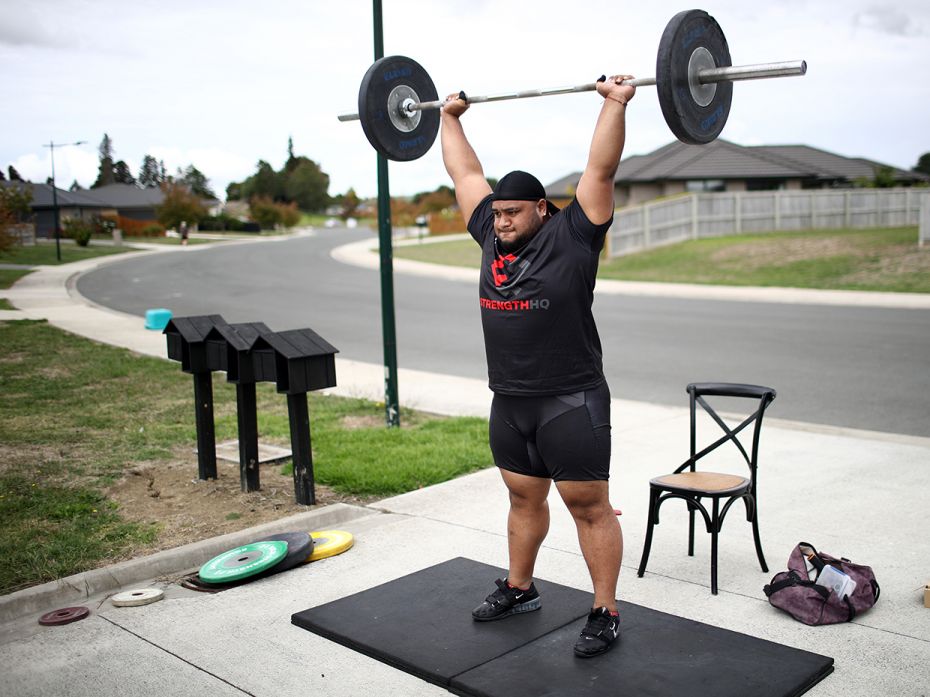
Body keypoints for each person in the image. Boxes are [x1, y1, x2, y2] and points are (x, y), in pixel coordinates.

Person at [440, 73, 636, 658]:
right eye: (497, 213)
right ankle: (520, 588)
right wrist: (449, 119)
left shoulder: (575, 236)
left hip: (571, 398)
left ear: (542, 210)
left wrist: (615, 103)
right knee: (523, 497)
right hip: (512, 398)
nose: (499, 221)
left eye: (512, 213)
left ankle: (604, 609)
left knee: (588, 507)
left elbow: (599, 171)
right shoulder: (488, 236)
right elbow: (464, 175)